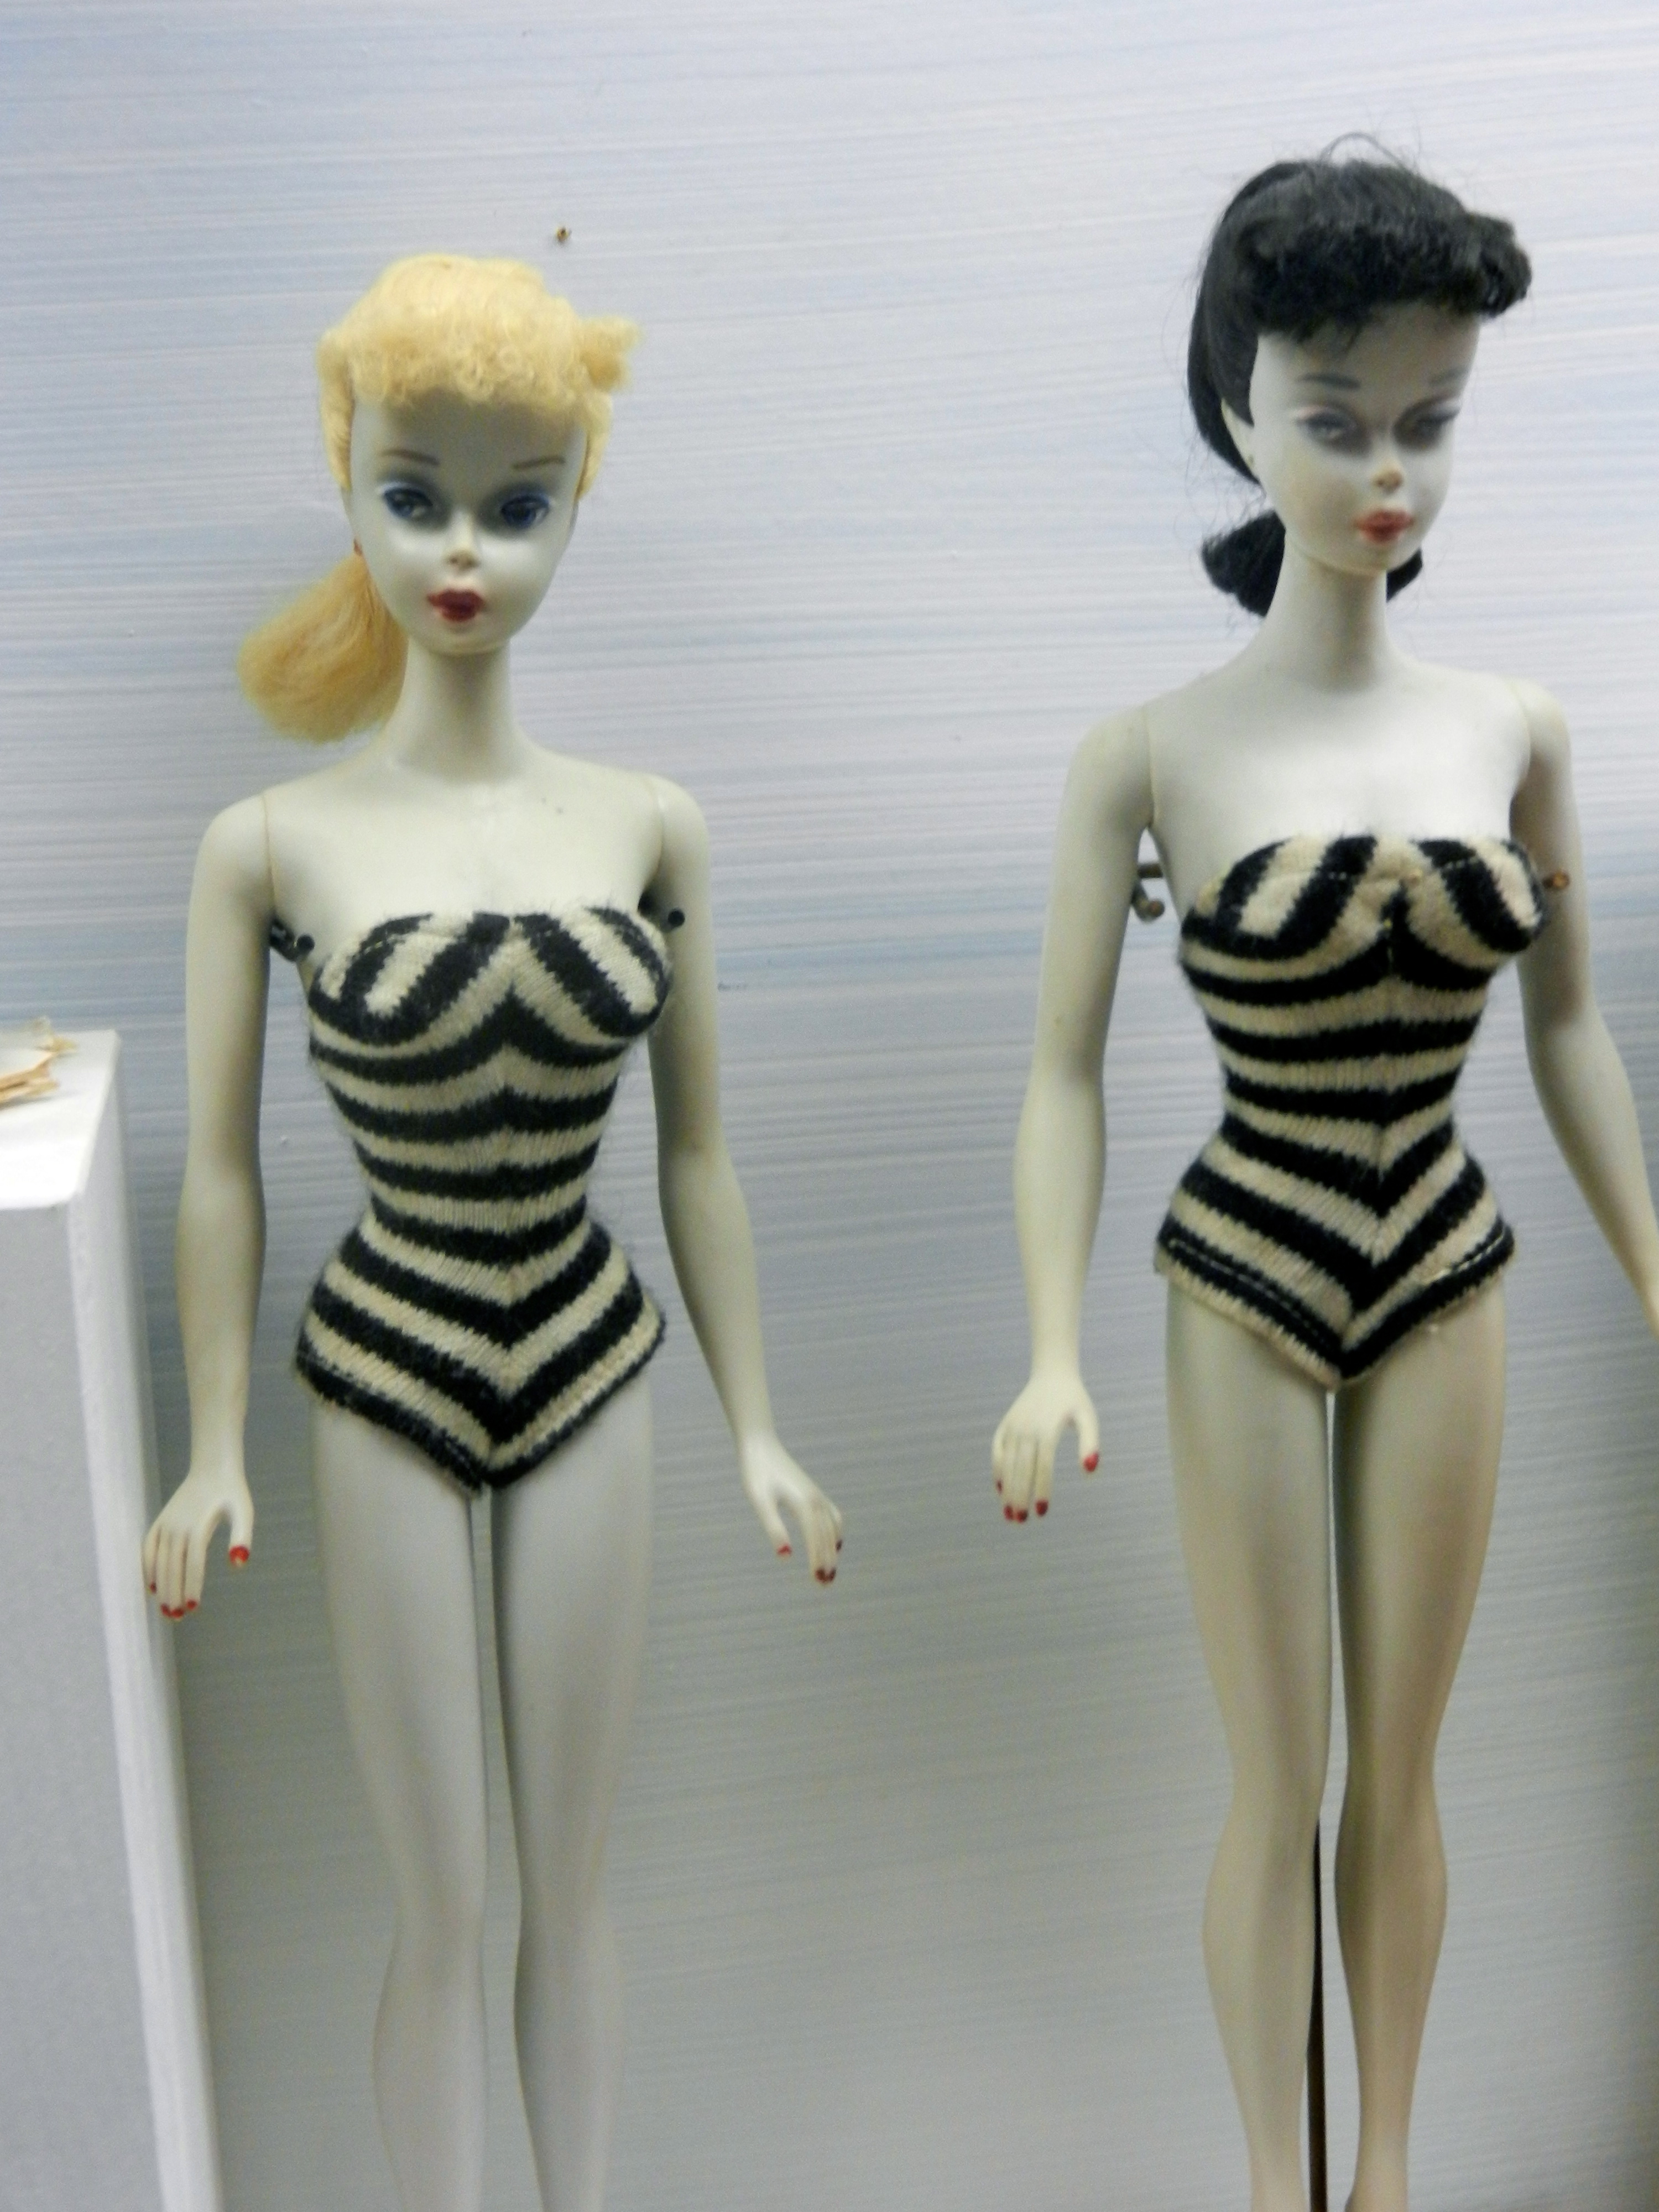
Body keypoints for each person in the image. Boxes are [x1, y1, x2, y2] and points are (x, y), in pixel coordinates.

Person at [142, 253, 843, 2212]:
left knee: (571, 1887)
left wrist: (758, 1424)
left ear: (575, 502)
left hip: (592, 1353)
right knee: (439, 1902)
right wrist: (212, 1443)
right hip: (382, 1359)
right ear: (349, 483)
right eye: (415, 494)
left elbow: (700, 1156)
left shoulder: (651, 823)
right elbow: (220, 1171)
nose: (463, 551)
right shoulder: (267, 846)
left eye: (518, 504)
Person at [992, 156, 1659, 2212]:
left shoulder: (1515, 729)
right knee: (1275, 1779)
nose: (1388, 472)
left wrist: (1656, 1265)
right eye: (1337, 417)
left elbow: (1567, 1030)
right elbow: (1060, 1072)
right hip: (1245, 1278)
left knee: (1406, 1773)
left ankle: (1386, 2171)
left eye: (1431, 422)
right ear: (1237, 410)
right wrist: (1047, 1348)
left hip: (1447, 1266)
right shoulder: (1147, 756)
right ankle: (1274, 2180)